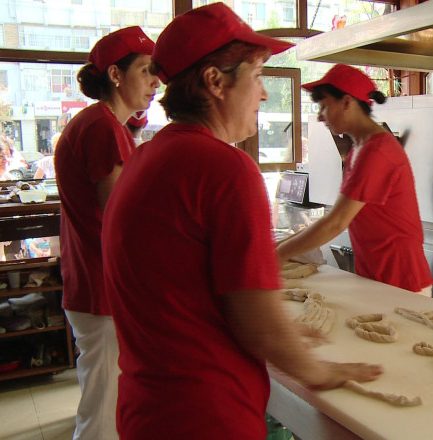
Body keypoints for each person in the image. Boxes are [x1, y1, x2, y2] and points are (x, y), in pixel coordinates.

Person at [100, 5, 381, 439]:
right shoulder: (224, 168)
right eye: (258, 76)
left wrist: (284, 330)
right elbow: (257, 323)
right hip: (207, 416)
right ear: (215, 81)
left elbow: (187, 296)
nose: (264, 94)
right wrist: (320, 371)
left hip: (148, 407)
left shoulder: (146, 157)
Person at [54, 26, 159, 440]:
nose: (155, 82)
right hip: (102, 289)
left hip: (93, 283)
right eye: (146, 70)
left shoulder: (102, 124)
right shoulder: (102, 127)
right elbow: (123, 221)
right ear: (115, 74)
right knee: (102, 414)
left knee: (108, 402)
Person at [277, 64, 433, 295]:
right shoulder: (359, 150)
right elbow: (336, 218)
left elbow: (336, 223)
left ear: (347, 103)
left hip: (401, 281)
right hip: (379, 278)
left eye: (324, 106)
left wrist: (275, 257)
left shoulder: (377, 151)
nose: (320, 116)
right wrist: (274, 250)